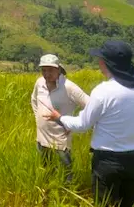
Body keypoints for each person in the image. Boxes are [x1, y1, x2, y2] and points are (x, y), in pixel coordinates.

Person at [45, 40, 134, 207]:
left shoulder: (104, 91)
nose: (98, 62)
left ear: (107, 63)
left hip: (107, 161)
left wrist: (60, 118)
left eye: (101, 59)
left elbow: (82, 124)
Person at [30, 54, 90, 183]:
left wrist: (73, 123)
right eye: (44, 70)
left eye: (50, 70)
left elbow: (90, 106)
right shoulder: (39, 83)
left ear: (59, 69)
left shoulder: (69, 87)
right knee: (45, 171)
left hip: (60, 139)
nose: (46, 74)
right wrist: (37, 119)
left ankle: (68, 197)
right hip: (41, 138)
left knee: (66, 174)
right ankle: (48, 195)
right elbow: (34, 101)